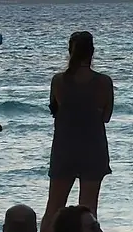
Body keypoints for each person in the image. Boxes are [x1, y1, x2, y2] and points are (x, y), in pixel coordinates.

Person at [41, 32, 114, 232]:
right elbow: (106, 116)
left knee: (54, 207)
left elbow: (55, 110)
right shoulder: (103, 81)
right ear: (92, 52)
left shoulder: (58, 80)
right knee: (89, 209)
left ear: (70, 51)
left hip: (64, 147)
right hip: (93, 147)